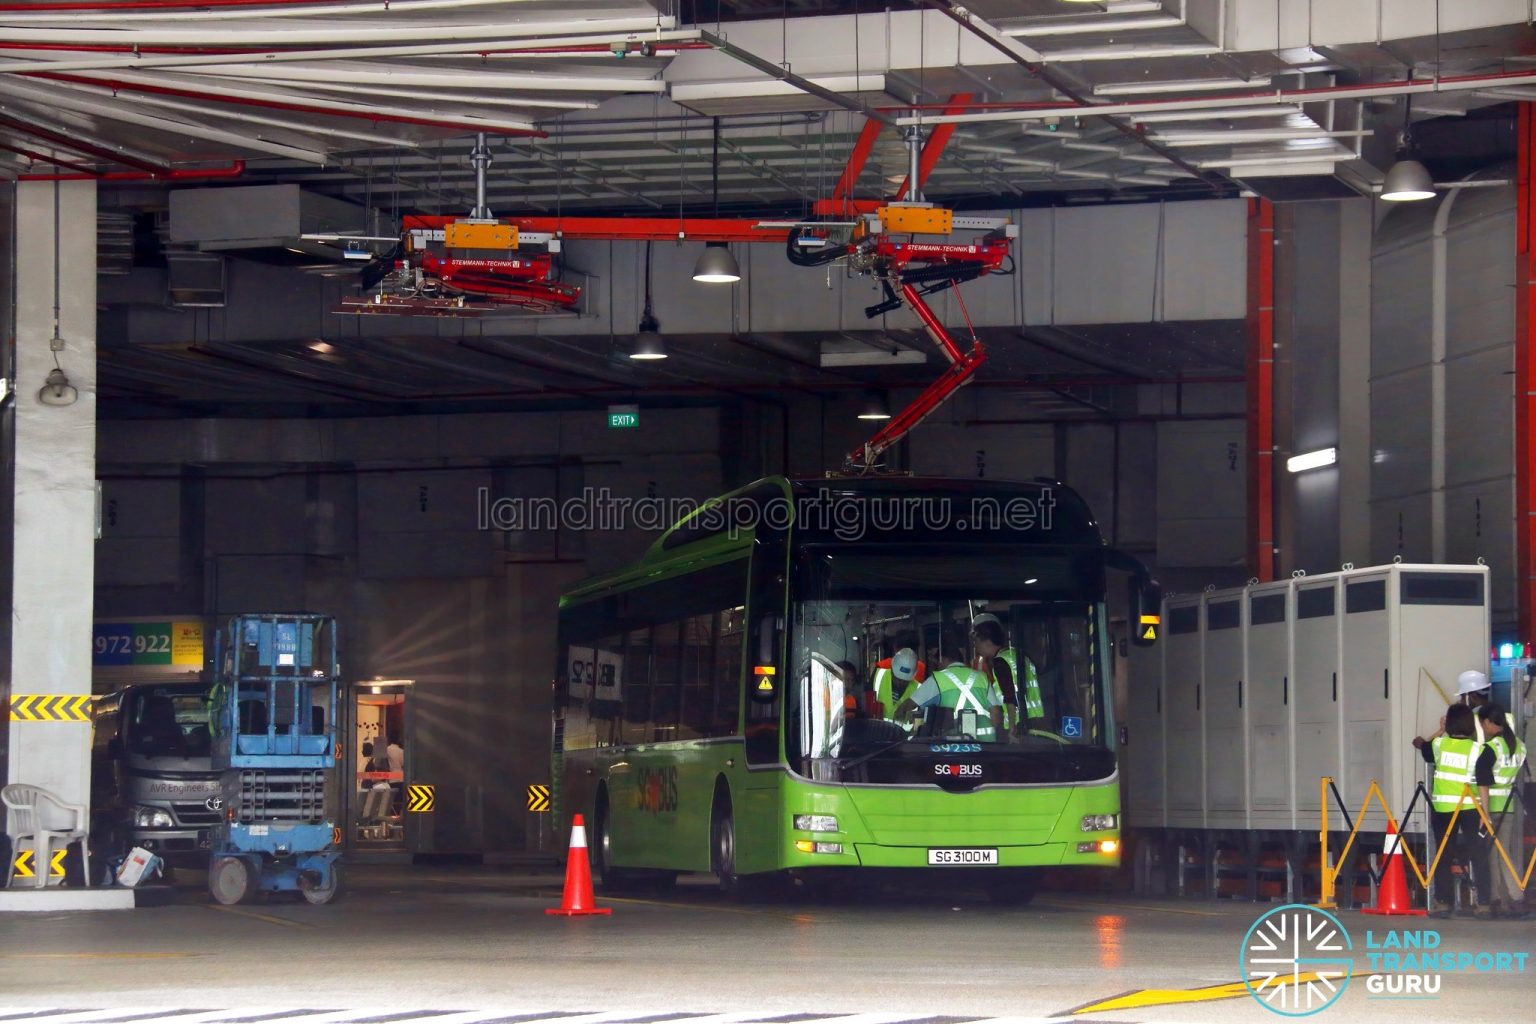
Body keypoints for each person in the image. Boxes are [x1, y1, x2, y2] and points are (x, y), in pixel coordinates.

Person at [1413, 703, 1494, 917]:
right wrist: (1486, 814)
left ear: (1449, 723)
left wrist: (1440, 730)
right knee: (1478, 853)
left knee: (1443, 854)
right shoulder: (1480, 750)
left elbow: (1424, 748)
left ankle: (1442, 902)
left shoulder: (1439, 745)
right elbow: (1483, 784)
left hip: (1443, 808)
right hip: (1470, 807)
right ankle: (1484, 903)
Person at [894, 624, 1005, 741]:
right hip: (985, 746)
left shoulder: (938, 679)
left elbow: (906, 706)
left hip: (954, 748)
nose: (937, 666)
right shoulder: (981, 677)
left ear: (944, 659)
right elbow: (996, 714)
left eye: (938, 663)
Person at [1476, 704, 1528, 918]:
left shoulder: (1491, 748)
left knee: (1496, 855)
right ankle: (1506, 900)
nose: (1482, 727)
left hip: (1492, 808)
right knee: (1502, 853)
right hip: (1508, 807)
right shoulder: (1520, 746)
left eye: (1482, 723)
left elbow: (1483, 781)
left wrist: (1484, 813)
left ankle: (1511, 898)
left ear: (1488, 722)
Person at [971, 613, 1045, 735]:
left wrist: (1012, 728)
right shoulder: (1017, 654)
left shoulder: (1000, 661)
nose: (976, 647)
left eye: (977, 642)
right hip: (1035, 720)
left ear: (988, 642)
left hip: (1018, 725)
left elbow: (1010, 697)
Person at [870, 634, 925, 717]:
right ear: (891, 667)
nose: (901, 682)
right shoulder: (878, 675)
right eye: (898, 678)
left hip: (903, 730)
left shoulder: (920, 689)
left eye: (905, 680)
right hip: (877, 728)